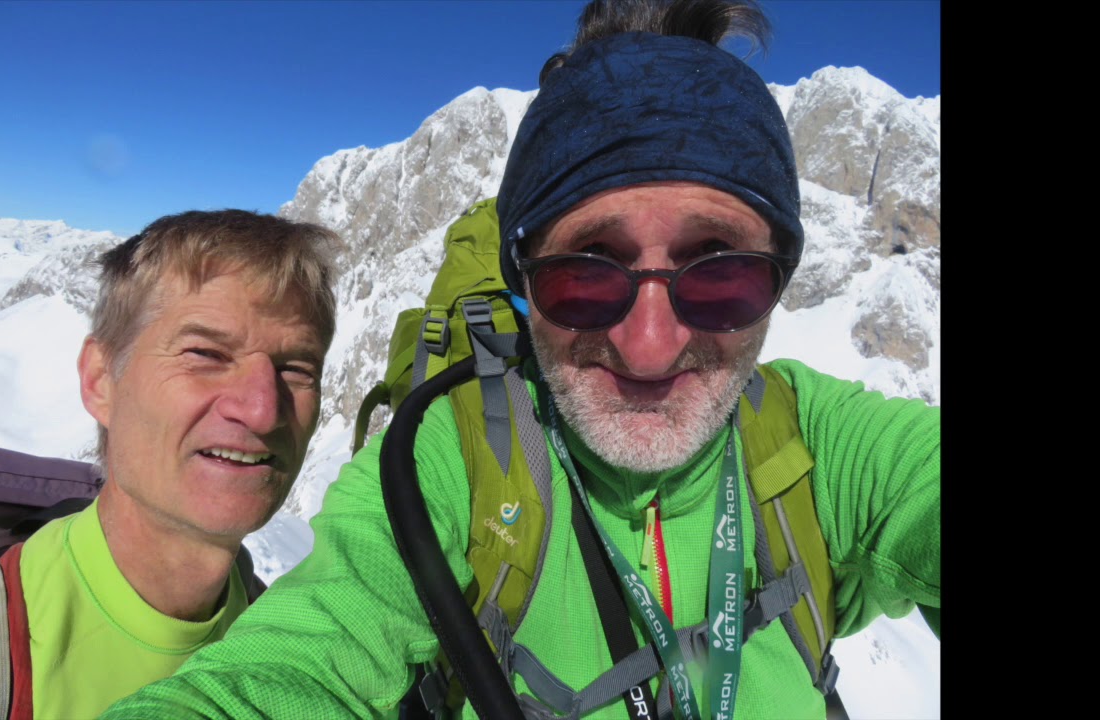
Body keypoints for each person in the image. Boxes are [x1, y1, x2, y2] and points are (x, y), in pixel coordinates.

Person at [102, 1, 940, 718]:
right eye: (584, 273)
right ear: (525, 280)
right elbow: (295, 667)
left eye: (717, 274)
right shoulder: (455, 459)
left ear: (779, 276)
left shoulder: (820, 453)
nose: (650, 344)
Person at [0, 209, 340, 720]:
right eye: (206, 354)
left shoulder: (287, 647)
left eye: (296, 369)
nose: (262, 410)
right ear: (101, 380)